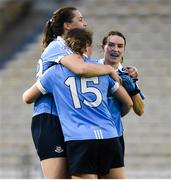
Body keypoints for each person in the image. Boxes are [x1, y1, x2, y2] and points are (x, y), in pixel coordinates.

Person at [23, 28, 133, 179]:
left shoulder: (54, 72)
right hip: (109, 136)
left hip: (80, 139)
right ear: (88, 46)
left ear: (67, 47)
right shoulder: (100, 69)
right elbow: (128, 102)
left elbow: (27, 97)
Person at [99, 30, 144, 178]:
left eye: (120, 46)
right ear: (103, 47)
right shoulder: (90, 68)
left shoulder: (126, 75)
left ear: (124, 49)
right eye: (111, 45)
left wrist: (133, 90)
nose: (115, 49)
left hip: (114, 135)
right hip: (87, 136)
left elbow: (140, 110)